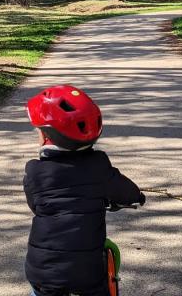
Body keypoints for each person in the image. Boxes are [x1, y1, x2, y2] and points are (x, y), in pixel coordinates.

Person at [23, 85, 146, 296]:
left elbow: (35, 204)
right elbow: (128, 193)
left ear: (46, 137)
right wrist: (137, 197)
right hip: (87, 275)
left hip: (44, 272)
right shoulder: (99, 166)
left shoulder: (35, 171)